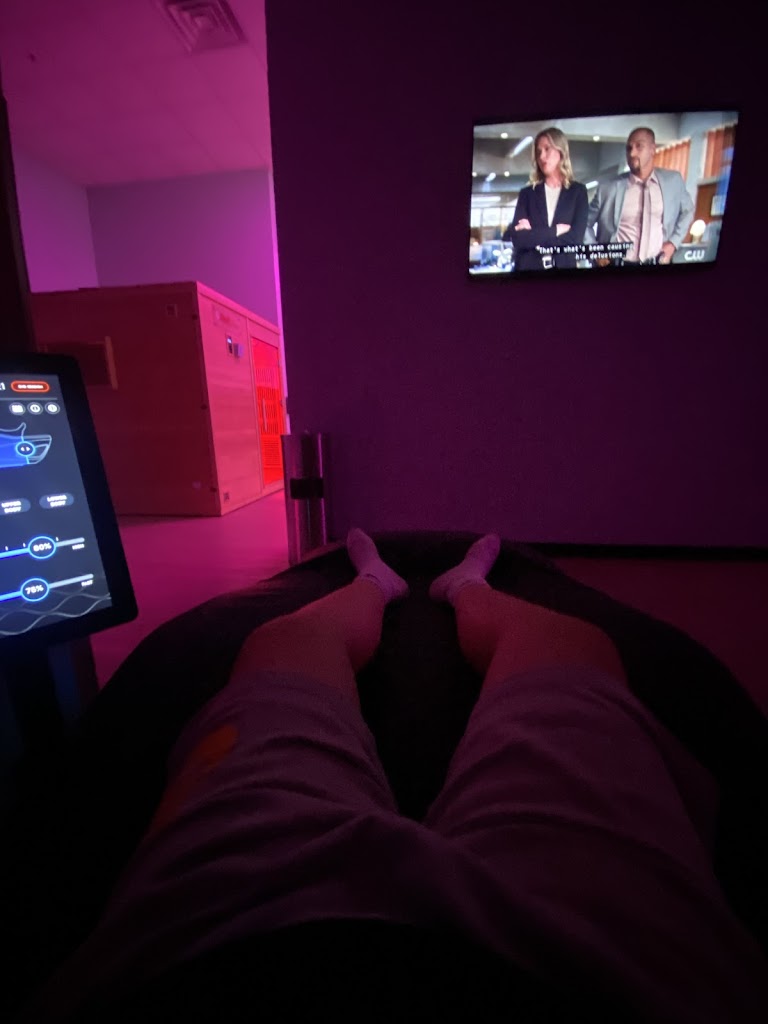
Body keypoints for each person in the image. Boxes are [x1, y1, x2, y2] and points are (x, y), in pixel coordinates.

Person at [18, 532, 768, 1023]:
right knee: (567, 644)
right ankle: (440, 586)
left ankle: (407, 585)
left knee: (288, 640)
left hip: (211, 935)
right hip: (610, 962)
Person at [586, 126, 695, 266]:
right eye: (629, 148)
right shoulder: (608, 188)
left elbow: (688, 211)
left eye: (639, 146)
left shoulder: (673, 181)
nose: (632, 153)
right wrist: (595, 252)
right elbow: (584, 223)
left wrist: (673, 243)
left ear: (652, 149)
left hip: (658, 263)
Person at [503, 127, 588, 271]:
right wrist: (556, 230)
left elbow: (575, 239)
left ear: (561, 152)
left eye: (547, 149)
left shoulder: (578, 192)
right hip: (529, 272)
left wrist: (534, 236)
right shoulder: (527, 194)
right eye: (538, 152)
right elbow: (519, 239)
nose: (542, 156)